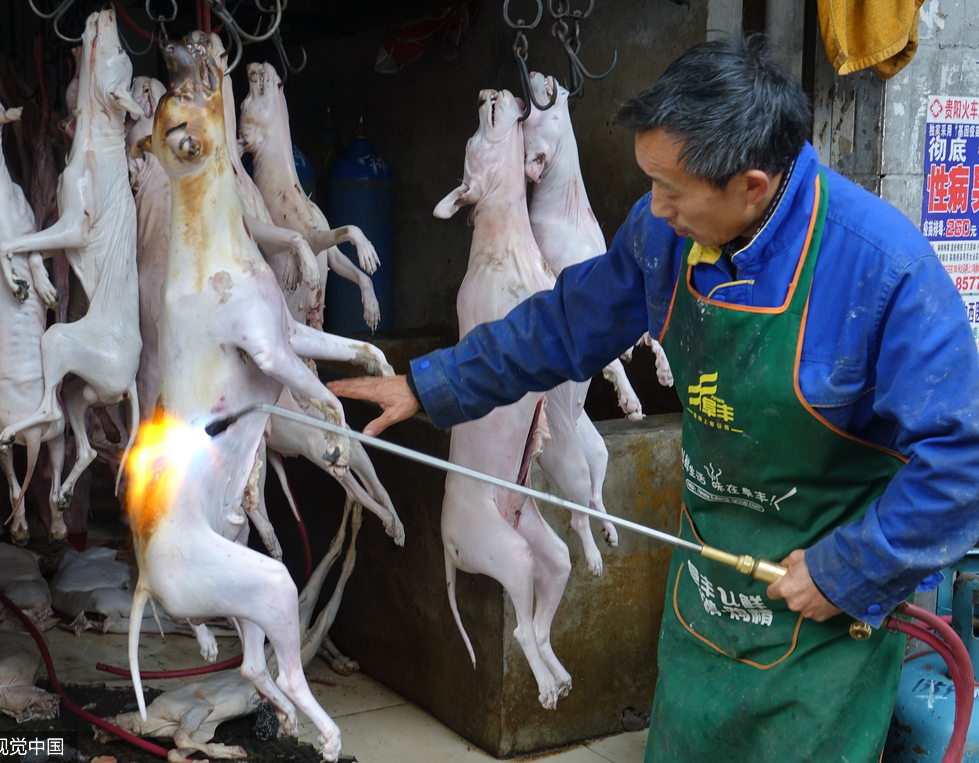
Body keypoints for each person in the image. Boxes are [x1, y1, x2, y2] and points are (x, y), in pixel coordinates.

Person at [328, 37, 979, 762]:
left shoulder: (885, 273)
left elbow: (961, 460)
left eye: (672, 189)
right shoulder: (664, 234)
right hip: (707, 592)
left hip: (822, 619)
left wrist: (848, 570)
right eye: (650, 181)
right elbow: (565, 323)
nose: (653, 207)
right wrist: (430, 384)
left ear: (753, 186)